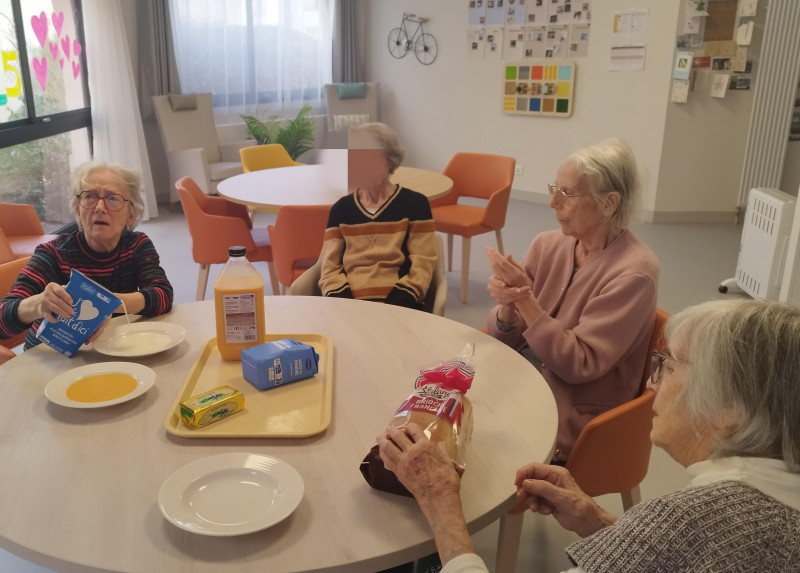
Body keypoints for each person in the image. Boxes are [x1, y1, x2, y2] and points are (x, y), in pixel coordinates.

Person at [378, 299, 800, 572]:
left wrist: (440, 501)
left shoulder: (686, 519)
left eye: (669, 367)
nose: (652, 384)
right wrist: (601, 525)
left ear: (728, 409)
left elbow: (683, 540)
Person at [486, 138, 659, 462]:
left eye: (566, 194)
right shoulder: (548, 244)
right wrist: (508, 306)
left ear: (608, 203)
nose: (552, 202)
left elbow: (579, 365)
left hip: (576, 410)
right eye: (555, 188)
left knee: (469, 440)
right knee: (439, 404)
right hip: (525, 381)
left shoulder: (634, 274)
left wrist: (524, 299)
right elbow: (503, 338)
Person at [0, 161, 174, 350]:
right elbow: (1, 324)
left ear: (130, 214)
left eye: (112, 198)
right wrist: (37, 305)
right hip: (50, 359)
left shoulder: (136, 245)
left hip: (112, 351)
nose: (99, 207)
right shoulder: (54, 254)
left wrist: (105, 303)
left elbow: (163, 296)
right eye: (90, 197)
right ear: (78, 209)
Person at [318, 122, 437, 311]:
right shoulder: (340, 210)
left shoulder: (416, 205)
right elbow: (329, 270)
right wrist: (347, 307)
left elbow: (422, 266)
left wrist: (391, 308)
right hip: (349, 308)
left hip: (400, 307)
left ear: (390, 160)